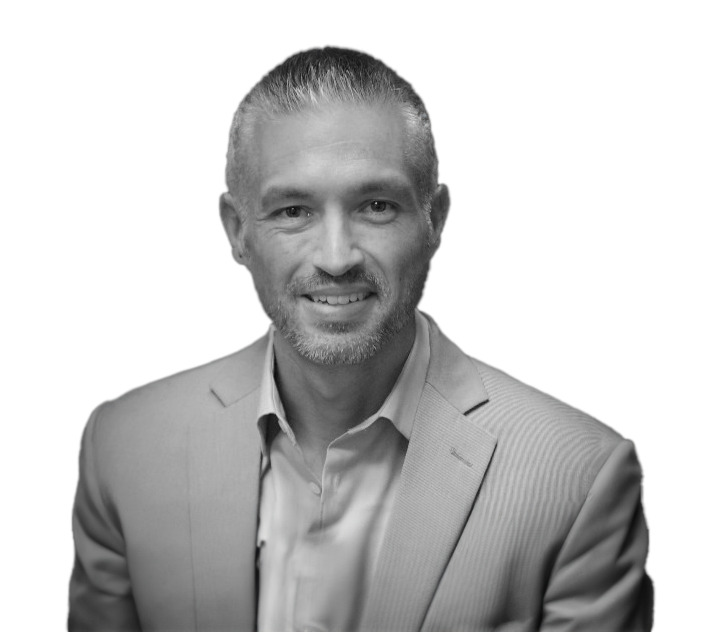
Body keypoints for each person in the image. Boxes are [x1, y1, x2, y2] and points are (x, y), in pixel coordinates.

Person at [68, 47, 653, 632]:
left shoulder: (578, 478)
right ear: (237, 232)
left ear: (435, 221)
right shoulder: (124, 449)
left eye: (376, 206)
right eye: (293, 210)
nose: (336, 257)